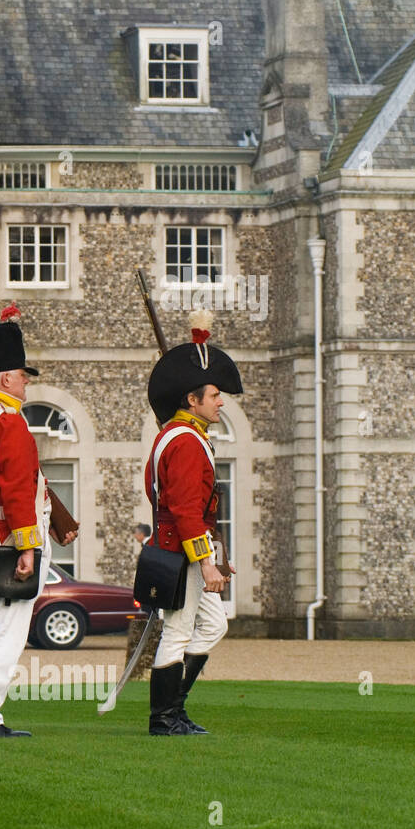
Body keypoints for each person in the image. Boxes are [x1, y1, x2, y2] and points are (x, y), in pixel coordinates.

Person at [0, 307, 77, 738]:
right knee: (4, 635)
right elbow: (15, 491)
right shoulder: (8, 422)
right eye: (23, 375)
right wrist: (27, 547)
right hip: (8, 543)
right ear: (7, 378)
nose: (27, 382)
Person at [144, 311, 242, 736]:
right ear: (192, 399)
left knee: (213, 624)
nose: (221, 402)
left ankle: (175, 708)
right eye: (215, 395)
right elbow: (185, 510)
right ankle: (164, 719)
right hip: (181, 552)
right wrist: (205, 562)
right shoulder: (184, 443)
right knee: (179, 631)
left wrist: (216, 558)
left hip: (187, 549)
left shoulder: (186, 435)